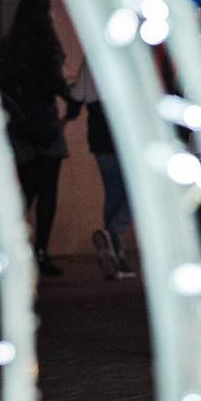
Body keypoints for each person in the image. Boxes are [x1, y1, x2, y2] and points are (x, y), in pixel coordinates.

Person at [0, 0, 71, 277]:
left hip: (19, 124)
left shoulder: (10, 45)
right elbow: (56, 82)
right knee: (48, 191)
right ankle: (40, 252)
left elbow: (0, 83)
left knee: (25, 191)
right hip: (46, 123)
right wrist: (71, 99)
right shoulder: (47, 45)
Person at [69, 62, 135, 280]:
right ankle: (113, 235)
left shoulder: (89, 59)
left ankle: (116, 255)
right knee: (141, 192)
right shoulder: (128, 53)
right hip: (124, 127)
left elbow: (77, 96)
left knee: (113, 192)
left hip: (98, 129)